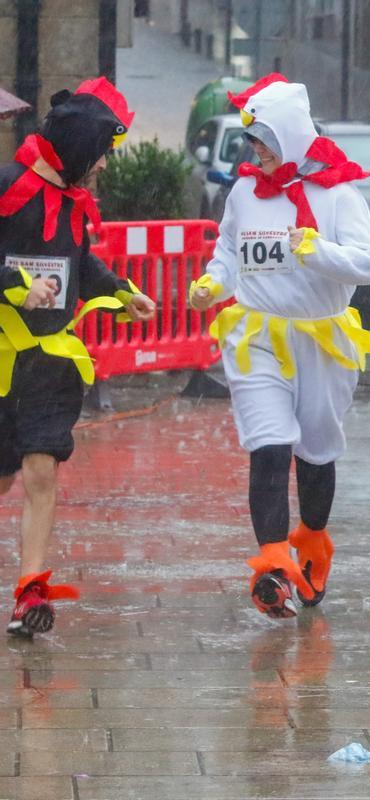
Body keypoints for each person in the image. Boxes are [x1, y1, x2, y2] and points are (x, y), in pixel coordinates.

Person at [189, 73, 370, 618]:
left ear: (293, 137)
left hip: (322, 339)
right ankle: (273, 569)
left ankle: (314, 539)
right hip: (257, 336)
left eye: (265, 141)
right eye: (252, 141)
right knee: (269, 446)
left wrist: (318, 251)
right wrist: (212, 283)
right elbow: (228, 253)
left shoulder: (338, 193)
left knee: (316, 451)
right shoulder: (245, 192)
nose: (256, 152)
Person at [0, 78, 157, 636]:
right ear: (74, 152)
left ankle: (31, 592)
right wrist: (18, 286)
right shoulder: (7, 188)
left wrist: (121, 293)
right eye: (99, 157)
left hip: (52, 363)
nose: (104, 168)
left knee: (42, 470)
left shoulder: (72, 204)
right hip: (2, 363)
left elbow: (80, 264)